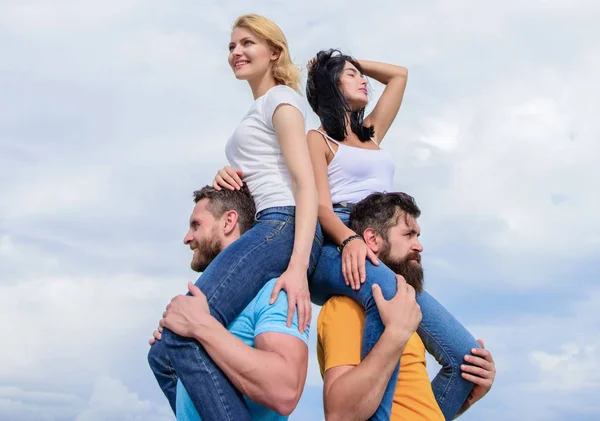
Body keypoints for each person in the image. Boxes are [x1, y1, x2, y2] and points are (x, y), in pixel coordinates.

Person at [147, 15, 322, 421]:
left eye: (248, 43)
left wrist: (297, 268)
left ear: (274, 52)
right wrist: (228, 178)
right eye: (231, 46)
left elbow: (305, 184)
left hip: (282, 225)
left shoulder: (282, 100)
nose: (236, 53)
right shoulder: (258, 109)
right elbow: (265, 172)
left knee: (181, 331)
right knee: (163, 354)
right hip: (268, 223)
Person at [317, 192, 496, 421]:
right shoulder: (345, 308)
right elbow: (340, 414)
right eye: (409, 234)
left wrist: (468, 395)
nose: (419, 246)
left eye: (418, 236)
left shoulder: (406, 315)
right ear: (372, 240)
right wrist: (394, 335)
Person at [150, 185, 310, 420]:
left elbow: (285, 392)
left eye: (196, 225)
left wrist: (202, 327)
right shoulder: (207, 301)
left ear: (228, 222)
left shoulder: (275, 292)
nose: (187, 238)